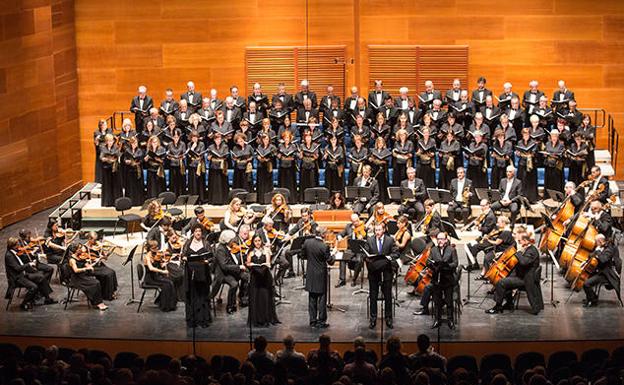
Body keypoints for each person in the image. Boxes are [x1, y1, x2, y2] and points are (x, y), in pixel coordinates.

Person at [486, 232, 543, 315]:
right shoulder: (527, 249)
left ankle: (497, 307)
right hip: (522, 275)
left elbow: (523, 262)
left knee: (501, 282)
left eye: (520, 241)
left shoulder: (532, 251)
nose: (518, 243)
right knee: (506, 279)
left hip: (526, 279)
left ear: (526, 241)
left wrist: (518, 252)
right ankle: (509, 304)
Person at [5, 237, 57, 311]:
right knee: (34, 287)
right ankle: (24, 304)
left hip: (22, 274)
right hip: (17, 278)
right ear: (13, 245)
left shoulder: (14, 252)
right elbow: (17, 268)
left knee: (41, 277)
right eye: (18, 244)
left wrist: (32, 255)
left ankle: (47, 299)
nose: (19, 245)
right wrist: (29, 264)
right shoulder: (9, 256)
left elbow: (22, 257)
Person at [365, 223, 399, 329]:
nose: (377, 232)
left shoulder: (390, 240)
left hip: (386, 272)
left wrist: (389, 257)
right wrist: (368, 259)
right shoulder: (370, 240)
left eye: (379, 230)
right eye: (376, 230)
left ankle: (388, 318)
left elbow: (396, 253)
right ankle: (373, 318)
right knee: (373, 296)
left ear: (383, 230)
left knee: (388, 296)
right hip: (374, 272)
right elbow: (365, 254)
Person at [302, 227, 334, 328]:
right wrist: (334, 254)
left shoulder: (307, 242)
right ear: (323, 235)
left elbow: (303, 255)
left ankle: (312, 321)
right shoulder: (324, 246)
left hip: (311, 274)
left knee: (312, 298)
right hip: (320, 275)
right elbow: (330, 261)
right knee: (322, 298)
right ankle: (321, 321)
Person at [182, 224, 213, 327]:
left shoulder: (206, 243)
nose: (198, 233)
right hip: (190, 273)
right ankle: (193, 319)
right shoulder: (188, 243)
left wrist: (207, 261)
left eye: (199, 231)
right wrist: (185, 258)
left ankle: (203, 319)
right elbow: (183, 255)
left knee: (202, 295)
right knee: (192, 295)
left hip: (202, 273)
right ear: (193, 232)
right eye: (196, 231)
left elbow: (211, 258)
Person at [246, 235, 280, 327]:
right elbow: (247, 263)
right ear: (253, 242)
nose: (257, 242)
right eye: (256, 241)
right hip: (255, 278)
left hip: (265, 277)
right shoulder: (250, 252)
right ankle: (257, 319)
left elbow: (268, 262)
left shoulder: (266, 251)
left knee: (265, 297)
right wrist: (251, 264)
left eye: (259, 240)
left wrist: (265, 265)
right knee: (256, 297)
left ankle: (266, 318)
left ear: (261, 241)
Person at [212, 230, 249, 314]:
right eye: (233, 239)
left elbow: (233, 260)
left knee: (247, 277)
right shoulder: (220, 250)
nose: (235, 240)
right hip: (223, 273)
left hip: (232, 271)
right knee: (234, 284)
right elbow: (224, 266)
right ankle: (230, 306)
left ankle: (243, 298)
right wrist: (239, 267)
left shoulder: (230, 246)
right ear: (227, 240)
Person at [582, 234, 622, 307]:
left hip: (607, 274)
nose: (595, 243)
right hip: (601, 271)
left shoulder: (610, 248)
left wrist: (598, 252)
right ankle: (591, 297)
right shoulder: (601, 247)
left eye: (596, 242)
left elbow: (603, 259)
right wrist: (593, 254)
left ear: (600, 241)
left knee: (586, 284)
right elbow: (591, 255)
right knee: (584, 279)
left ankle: (593, 301)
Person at [429, 232, 458, 329]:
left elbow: (455, 263)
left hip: (448, 279)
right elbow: (428, 261)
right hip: (437, 279)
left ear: (446, 240)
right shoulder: (433, 250)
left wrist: (446, 266)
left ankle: (450, 320)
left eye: (442, 239)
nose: (440, 241)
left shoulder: (451, 249)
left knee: (449, 301)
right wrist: (433, 266)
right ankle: (437, 320)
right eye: (438, 239)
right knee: (437, 301)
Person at [67, 244, 107, 311]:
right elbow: (76, 270)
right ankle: (97, 303)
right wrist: (85, 269)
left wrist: (88, 266)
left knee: (96, 282)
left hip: (83, 276)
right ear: (76, 250)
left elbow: (84, 262)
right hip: (77, 279)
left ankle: (99, 302)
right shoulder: (72, 260)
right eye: (80, 248)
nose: (82, 249)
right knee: (95, 283)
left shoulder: (79, 256)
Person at [143, 240, 177, 312]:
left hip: (156, 277)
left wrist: (164, 263)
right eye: (155, 248)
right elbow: (151, 268)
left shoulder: (155, 254)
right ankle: (165, 306)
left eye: (157, 247)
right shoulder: (147, 257)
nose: (157, 249)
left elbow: (159, 264)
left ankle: (169, 305)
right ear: (150, 248)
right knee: (167, 285)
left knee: (170, 282)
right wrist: (163, 271)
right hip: (150, 279)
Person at [84, 232, 118, 301]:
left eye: (96, 240)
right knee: (108, 274)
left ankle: (110, 292)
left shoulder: (98, 246)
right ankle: (108, 295)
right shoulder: (84, 248)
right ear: (89, 239)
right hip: (92, 266)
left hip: (99, 265)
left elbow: (105, 257)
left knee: (112, 272)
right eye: (94, 240)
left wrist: (111, 250)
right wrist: (96, 260)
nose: (96, 241)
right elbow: (84, 262)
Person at [336, 213, 367, 288]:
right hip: (350, 250)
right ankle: (342, 280)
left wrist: (363, 238)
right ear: (351, 221)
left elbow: (368, 240)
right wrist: (339, 237)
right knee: (342, 258)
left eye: (357, 221)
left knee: (359, 260)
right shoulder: (348, 227)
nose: (356, 223)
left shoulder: (364, 227)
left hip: (359, 250)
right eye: (354, 221)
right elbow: (340, 234)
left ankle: (354, 279)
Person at [515, 128, 539, 203]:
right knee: (522, 181)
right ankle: (521, 198)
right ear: (522, 135)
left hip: (530, 164)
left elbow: (535, 153)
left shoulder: (533, 142)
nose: (526, 136)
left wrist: (529, 154)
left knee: (530, 181)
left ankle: (531, 199)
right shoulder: (519, 143)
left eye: (527, 134)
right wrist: (518, 153)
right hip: (522, 164)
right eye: (524, 134)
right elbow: (518, 152)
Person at [99, 134, 122, 207]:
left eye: (111, 141)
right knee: (107, 185)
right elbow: (101, 157)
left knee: (115, 185)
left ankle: (116, 202)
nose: (110, 142)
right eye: (109, 141)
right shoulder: (103, 148)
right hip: (106, 169)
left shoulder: (116, 147)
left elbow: (118, 154)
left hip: (114, 169)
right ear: (106, 141)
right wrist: (105, 159)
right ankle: (108, 202)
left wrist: (113, 158)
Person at [206, 133, 230, 204]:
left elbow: (226, 156)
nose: (218, 141)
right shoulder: (211, 147)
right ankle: (213, 200)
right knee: (214, 184)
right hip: (213, 167)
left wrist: (222, 157)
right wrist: (209, 157)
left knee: (222, 183)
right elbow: (208, 156)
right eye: (216, 139)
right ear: (214, 140)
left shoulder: (225, 146)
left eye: (219, 139)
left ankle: (223, 200)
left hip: (222, 167)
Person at [122, 136, 144, 206]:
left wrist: (136, 163)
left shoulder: (140, 150)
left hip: (137, 171)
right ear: (130, 143)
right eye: (133, 143)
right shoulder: (127, 150)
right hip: (130, 171)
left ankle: (138, 202)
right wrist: (126, 161)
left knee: (138, 187)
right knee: (130, 187)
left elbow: (141, 160)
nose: (134, 144)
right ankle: (130, 202)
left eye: (135, 143)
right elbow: (124, 159)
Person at [255, 133, 277, 203]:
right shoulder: (259, 146)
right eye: (264, 139)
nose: (265, 140)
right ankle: (260, 200)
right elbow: (257, 154)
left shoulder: (272, 147)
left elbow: (274, 155)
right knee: (261, 183)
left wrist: (268, 158)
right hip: (261, 166)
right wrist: (258, 157)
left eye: (267, 139)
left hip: (268, 166)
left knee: (268, 183)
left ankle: (268, 199)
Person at [277, 131, 298, 201]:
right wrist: (279, 156)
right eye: (285, 138)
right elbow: (278, 155)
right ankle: (282, 199)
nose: (286, 139)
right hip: (282, 167)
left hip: (291, 167)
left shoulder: (293, 146)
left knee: (291, 184)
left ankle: (292, 199)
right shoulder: (280, 145)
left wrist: (291, 157)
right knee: (283, 183)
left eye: (288, 138)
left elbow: (296, 155)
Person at [186, 130, 207, 203]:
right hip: (192, 166)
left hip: (199, 166)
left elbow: (201, 154)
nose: (194, 139)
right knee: (193, 183)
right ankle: (193, 199)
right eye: (193, 137)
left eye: (196, 137)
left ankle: (201, 199)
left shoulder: (201, 144)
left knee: (200, 183)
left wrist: (196, 157)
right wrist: (192, 148)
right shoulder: (189, 144)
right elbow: (188, 154)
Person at [369, 136, 391, 202]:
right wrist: (371, 160)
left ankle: (383, 199)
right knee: (375, 185)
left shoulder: (386, 151)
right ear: (377, 144)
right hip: (374, 170)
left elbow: (387, 160)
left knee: (382, 185)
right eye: (379, 143)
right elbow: (370, 158)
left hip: (382, 171)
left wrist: (380, 161)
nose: (380, 144)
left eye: (382, 143)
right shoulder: (373, 150)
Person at [299, 132, 320, 201]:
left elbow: (317, 156)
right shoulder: (302, 146)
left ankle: (312, 199)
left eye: (309, 137)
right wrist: (301, 154)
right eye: (307, 137)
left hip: (312, 166)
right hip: (304, 166)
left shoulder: (315, 145)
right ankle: (303, 199)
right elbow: (300, 157)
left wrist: (314, 155)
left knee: (312, 182)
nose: (308, 138)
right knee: (303, 183)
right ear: (304, 138)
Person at [166, 129, 187, 197]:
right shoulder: (169, 144)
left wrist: (180, 157)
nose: (176, 138)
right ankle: (173, 197)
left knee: (181, 182)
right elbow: (167, 154)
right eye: (174, 137)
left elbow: (184, 154)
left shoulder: (182, 144)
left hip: (180, 165)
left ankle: (181, 197)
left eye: (177, 137)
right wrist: (170, 157)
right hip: (172, 165)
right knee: (173, 182)